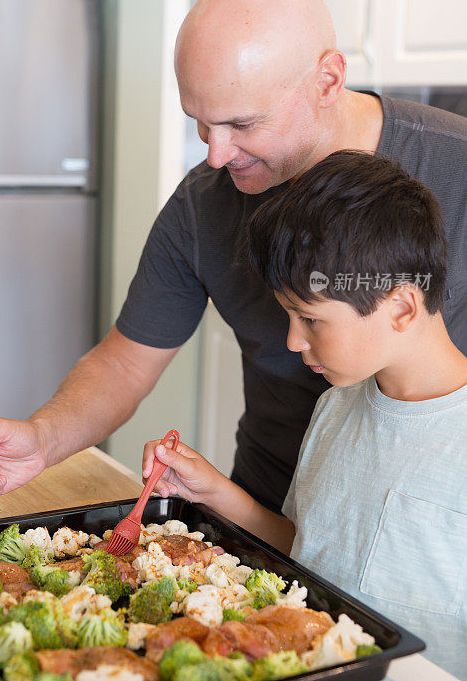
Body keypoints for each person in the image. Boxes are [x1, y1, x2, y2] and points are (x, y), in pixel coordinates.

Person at [0, 0, 467, 512]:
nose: (216, 155)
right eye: (200, 121)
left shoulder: (457, 166)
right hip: (266, 517)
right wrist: (43, 439)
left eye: (242, 124)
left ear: (328, 80)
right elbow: (125, 362)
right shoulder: (205, 202)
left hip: (429, 536)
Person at [141, 151, 467, 679]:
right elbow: (308, 551)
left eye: (310, 319)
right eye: (289, 315)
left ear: (402, 308)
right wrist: (214, 493)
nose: (293, 340)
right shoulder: (337, 406)